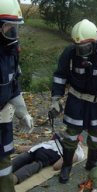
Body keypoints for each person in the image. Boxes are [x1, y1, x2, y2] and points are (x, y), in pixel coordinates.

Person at [48, 19, 97, 184]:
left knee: (96, 135)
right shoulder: (69, 52)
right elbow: (60, 76)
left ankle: (92, 163)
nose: (82, 52)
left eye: (86, 48)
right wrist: (55, 99)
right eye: (79, 48)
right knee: (71, 134)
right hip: (75, 100)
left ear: (94, 42)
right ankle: (67, 165)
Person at [0, 1, 34, 191]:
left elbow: (13, 87)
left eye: (15, 27)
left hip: (3, 124)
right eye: (8, 26)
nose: (13, 32)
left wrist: (23, 113)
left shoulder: (10, 52)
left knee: (4, 166)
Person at [12, 135, 84, 184]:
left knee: (31, 163)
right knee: (29, 163)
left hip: (43, 154)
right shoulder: (61, 138)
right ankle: (9, 178)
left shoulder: (78, 151)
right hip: (37, 150)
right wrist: (25, 148)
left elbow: (56, 166)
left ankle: (10, 179)